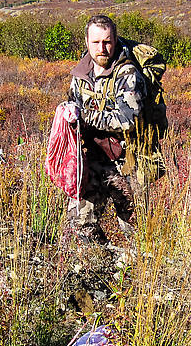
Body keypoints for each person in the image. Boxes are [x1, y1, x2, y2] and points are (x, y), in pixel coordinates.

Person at [61, 14, 165, 245]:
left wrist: (85, 115)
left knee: (136, 228)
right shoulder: (81, 73)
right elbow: (73, 102)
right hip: (93, 158)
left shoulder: (128, 74)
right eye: (96, 42)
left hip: (128, 160)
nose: (102, 48)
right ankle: (98, 260)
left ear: (115, 40)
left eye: (107, 41)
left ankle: (140, 269)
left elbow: (127, 120)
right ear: (87, 42)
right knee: (79, 222)